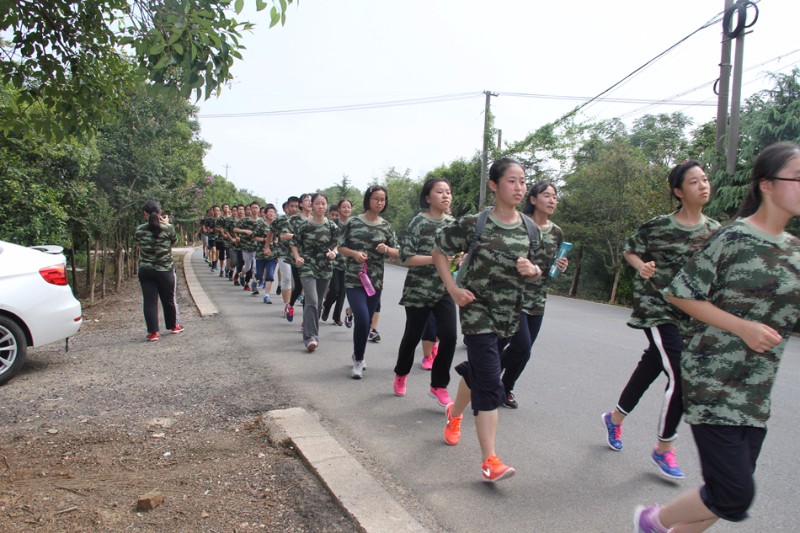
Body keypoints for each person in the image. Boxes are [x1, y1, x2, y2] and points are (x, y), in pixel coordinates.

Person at [633, 142, 800, 531]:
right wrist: (742, 327)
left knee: (721, 497)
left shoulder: (794, 251)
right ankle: (652, 520)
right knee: (734, 496)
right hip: (713, 383)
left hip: (756, 391)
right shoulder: (734, 238)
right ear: (768, 185)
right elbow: (679, 291)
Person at [602, 160, 720, 481]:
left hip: (692, 315)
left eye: (705, 179)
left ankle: (614, 419)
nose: (703, 185)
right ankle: (664, 448)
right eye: (694, 182)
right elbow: (630, 249)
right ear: (678, 191)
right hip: (658, 308)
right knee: (682, 376)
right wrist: (641, 266)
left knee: (652, 366)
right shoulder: (659, 227)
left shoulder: (714, 231)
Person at [432, 157, 542, 482]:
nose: (519, 186)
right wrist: (452, 288)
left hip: (510, 314)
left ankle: (454, 415)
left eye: (522, 181)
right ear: (494, 185)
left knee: (479, 371)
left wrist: (532, 270)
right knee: (492, 380)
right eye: (512, 180)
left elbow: (539, 271)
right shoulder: (474, 224)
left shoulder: (530, 228)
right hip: (476, 309)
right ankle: (489, 460)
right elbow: (440, 250)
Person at [500, 181, 568, 409]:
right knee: (522, 347)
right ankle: (483, 373)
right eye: (546, 195)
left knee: (523, 352)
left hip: (538, 299)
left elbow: (551, 272)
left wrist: (560, 266)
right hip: (514, 297)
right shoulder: (520, 224)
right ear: (533, 199)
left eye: (555, 197)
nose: (552, 200)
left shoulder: (557, 232)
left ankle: (505, 387)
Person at [393, 177, 457, 407]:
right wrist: (436, 259)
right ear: (428, 197)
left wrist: (459, 259)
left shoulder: (453, 224)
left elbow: (457, 255)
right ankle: (401, 374)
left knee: (449, 336)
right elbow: (406, 258)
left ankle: (438, 386)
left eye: (448, 191)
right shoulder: (418, 222)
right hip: (418, 290)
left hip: (444, 289)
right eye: (440, 192)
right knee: (412, 337)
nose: (445, 195)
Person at [338, 185, 399, 379]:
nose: (379, 202)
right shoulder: (353, 222)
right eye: (376, 199)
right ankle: (358, 360)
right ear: (368, 200)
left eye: (383, 199)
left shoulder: (386, 226)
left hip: (375, 281)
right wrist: (354, 253)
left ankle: (359, 353)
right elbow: (340, 246)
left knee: (365, 323)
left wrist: (387, 250)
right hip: (354, 279)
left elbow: (398, 251)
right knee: (363, 319)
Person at [290, 193, 340, 351]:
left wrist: (334, 253)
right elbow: (294, 243)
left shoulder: (332, 226)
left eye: (323, 204)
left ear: (326, 206)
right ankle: (311, 336)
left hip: (325, 268)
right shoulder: (304, 225)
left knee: (318, 302)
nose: (320, 206)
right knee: (311, 299)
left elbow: (338, 244)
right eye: (317, 203)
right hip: (307, 266)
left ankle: (309, 328)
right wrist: (297, 257)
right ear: (312, 206)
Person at [134, 200, 183, 341]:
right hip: (165, 269)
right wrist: (166, 223)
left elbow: (139, 246)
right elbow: (174, 241)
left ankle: (153, 332)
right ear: (160, 212)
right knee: (168, 299)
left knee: (149, 301)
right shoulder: (168, 228)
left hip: (146, 270)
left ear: (145, 214)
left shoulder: (139, 230)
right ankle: (174, 326)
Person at [321, 198, 353, 326]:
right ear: (339, 209)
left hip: (348, 263)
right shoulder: (332, 223)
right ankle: (327, 306)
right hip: (333, 262)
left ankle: (336, 317)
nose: (346, 209)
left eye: (349, 207)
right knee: (334, 290)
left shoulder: (354, 224)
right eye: (344, 207)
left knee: (342, 292)